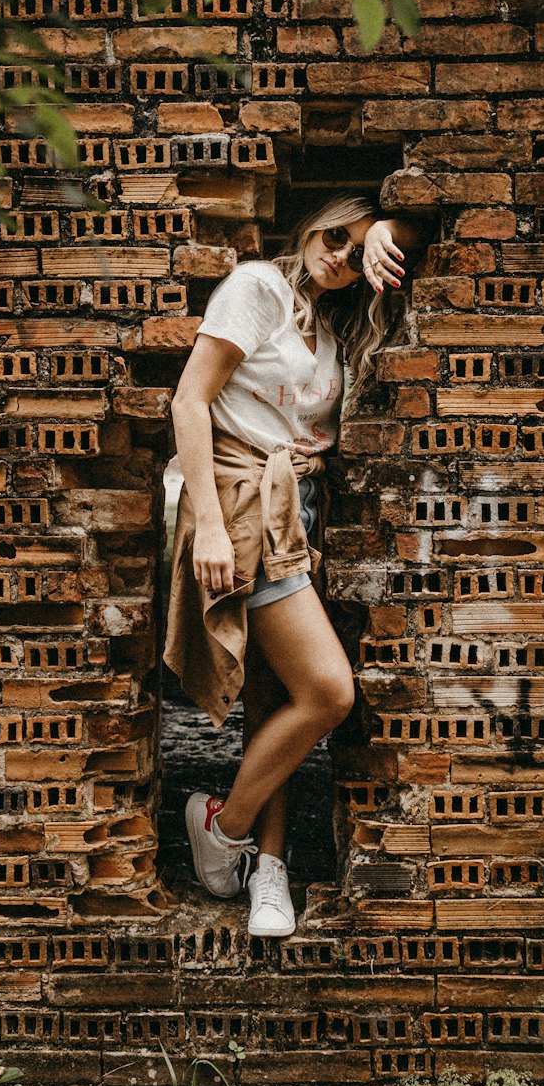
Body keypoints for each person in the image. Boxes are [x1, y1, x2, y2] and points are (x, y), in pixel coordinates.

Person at [163, 194, 421, 938]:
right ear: (313, 224)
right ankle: (223, 824)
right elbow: (190, 401)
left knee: (278, 704)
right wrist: (208, 526)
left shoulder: (336, 333)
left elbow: (423, 229)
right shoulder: (257, 288)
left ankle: (267, 874)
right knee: (330, 692)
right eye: (334, 234)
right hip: (242, 512)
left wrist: (384, 232)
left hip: (297, 513)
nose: (338, 255)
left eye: (357, 248)